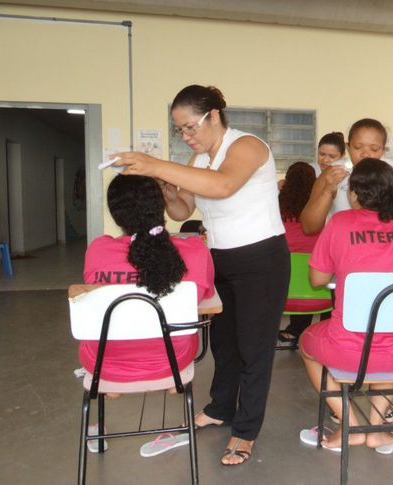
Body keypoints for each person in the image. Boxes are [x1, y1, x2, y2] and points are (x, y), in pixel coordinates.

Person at [113, 85, 290, 466]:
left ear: (213, 116)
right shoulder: (198, 159)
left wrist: (155, 164)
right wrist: (167, 191)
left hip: (261, 259)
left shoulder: (247, 146)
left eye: (190, 127)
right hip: (219, 259)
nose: (186, 136)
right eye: (179, 130)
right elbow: (182, 211)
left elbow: (223, 185)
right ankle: (220, 408)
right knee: (224, 344)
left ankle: (246, 431)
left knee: (254, 348)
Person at [298, 158, 393, 452]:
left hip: (351, 351)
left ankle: (350, 425)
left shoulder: (340, 223)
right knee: (387, 337)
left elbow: (317, 279)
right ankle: (377, 429)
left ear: (354, 194)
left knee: (306, 344)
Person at [80, 174, 215, 455]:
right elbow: (204, 299)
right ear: (161, 204)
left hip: (104, 361)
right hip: (172, 359)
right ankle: (171, 383)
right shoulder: (194, 250)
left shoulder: (98, 250)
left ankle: (113, 386)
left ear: (116, 213)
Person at [300, 118, 393, 235]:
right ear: (348, 147)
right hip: (343, 243)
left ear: (383, 151)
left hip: (385, 244)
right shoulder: (333, 172)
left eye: (374, 149)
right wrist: (327, 190)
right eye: (358, 147)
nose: (365, 154)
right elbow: (309, 228)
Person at [277, 162, 330, 345]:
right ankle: (325, 332)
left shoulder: (275, 215)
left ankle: (295, 330)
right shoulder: (322, 216)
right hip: (321, 298)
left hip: (282, 298)